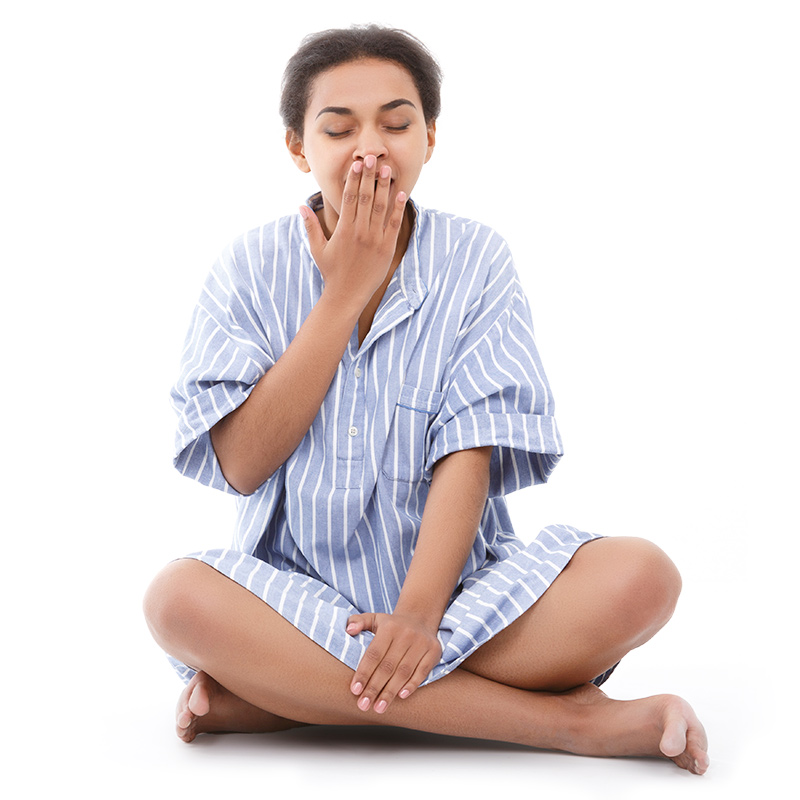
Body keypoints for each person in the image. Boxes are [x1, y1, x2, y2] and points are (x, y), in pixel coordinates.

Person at [143, 25, 709, 774]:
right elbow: (242, 464)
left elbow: (471, 449)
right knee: (176, 601)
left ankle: (289, 700)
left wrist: (417, 618)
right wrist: (343, 294)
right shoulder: (247, 267)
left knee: (643, 577)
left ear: (430, 138)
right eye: (339, 128)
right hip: (293, 605)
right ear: (295, 146)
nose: (370, 147)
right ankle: (568, 725)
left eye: (397, 123)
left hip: (463, 602)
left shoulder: (476, 257)